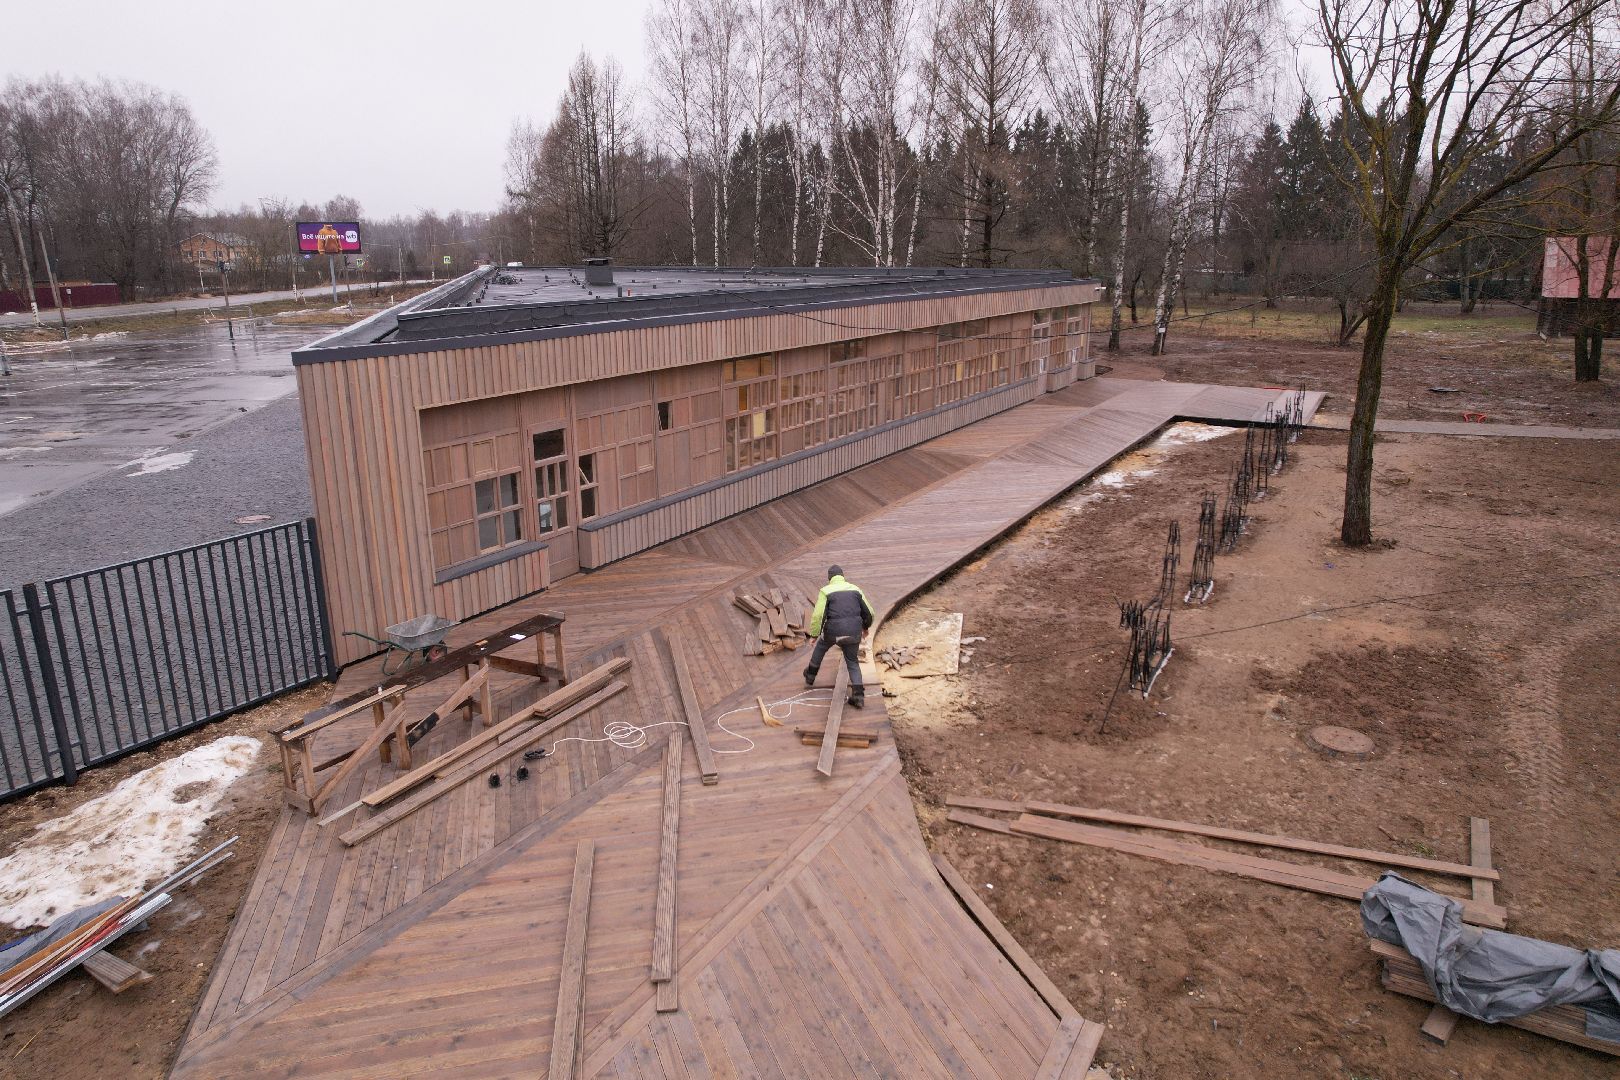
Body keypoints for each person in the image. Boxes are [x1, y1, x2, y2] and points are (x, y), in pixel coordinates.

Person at [803, 565, 874, 708]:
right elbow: (869, 612)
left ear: (830, 578)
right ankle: (859, 697)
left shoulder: (825, 591)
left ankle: (810, 676)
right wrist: (865, 627)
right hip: (853, 632)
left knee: (821, 647)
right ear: (843, 576)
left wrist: (815, 635)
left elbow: (818, 615)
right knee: (852, 662)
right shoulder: (855, 589)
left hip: (833, 632)